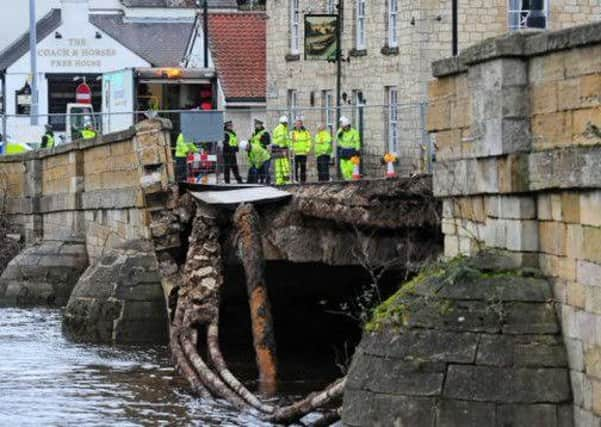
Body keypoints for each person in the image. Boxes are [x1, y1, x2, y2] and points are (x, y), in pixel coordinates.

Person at [336, 116, 361, 181]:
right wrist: (340, 131)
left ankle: (352, 180)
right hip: (343, 151)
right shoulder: (341, 131)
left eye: (346, 127)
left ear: (349, 126)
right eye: (344, 127)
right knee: (343, 168)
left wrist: (357, 149)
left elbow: (357, 141)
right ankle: (347, 180)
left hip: (352, 151)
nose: (345, 128)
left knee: (351, 168)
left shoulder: (354, 132)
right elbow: (337, 139)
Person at [272, 115, 292, 185]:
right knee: (285, 165)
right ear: (285, 122)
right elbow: (281, 139)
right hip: (280, 148)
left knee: (278, 166)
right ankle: (286, 180)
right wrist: (283, 149)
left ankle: (279, 181)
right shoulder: (282, 128)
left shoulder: (277, 128)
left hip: (275, 148)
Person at [291, 118, 311, 183]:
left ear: (301, 125)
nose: (298, 125)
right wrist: (292, 149)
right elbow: (290, 141)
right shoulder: (292, 132)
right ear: (295, 125)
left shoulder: (306, 132)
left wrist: (307, 149)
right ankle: (295, 180)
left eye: (299, 124)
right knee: (295, 168)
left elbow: (309, 141)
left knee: (303, 167)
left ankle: (303, 181)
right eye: (296, 124)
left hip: (303, 153)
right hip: (295, 153)